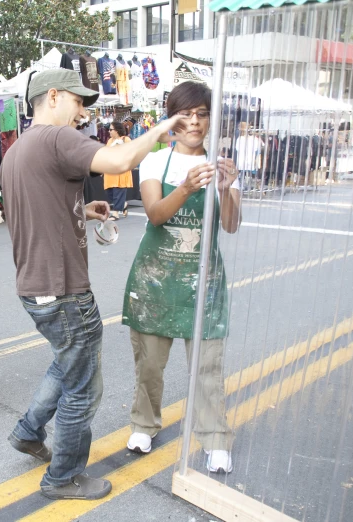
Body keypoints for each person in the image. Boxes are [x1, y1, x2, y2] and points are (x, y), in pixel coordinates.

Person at [0, 68, 187, 500]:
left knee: (69, 361)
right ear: (51, 97)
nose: (82, 111)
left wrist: (81, 211)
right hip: (63, 287)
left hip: (34, 286)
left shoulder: (17, 151)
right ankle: (62, 478)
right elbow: (121, 161)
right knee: (83, 387)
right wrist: (161, 127)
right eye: (77, 100)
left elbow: (29, 212)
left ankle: (29, 430)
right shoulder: (57, 138)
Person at [121, 81, 241, 474]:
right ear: (172, 120)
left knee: (207, 366)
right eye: (186, 114)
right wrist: (188, 187)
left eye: (202, 114)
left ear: (211, 120)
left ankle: (214, 437)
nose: (194, 122)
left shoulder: (222, 165)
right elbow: (155, 214)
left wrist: (229, 189)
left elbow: (231, 225)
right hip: (156, 279)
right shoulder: (157, 162)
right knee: (150, 365)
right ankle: (144, 424)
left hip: (203, 283)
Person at [103, 122, 133, 220]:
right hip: (110, 170)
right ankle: (123, 204)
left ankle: (115, 213)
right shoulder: (110, 141)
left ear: (117, 130)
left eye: (111, 129)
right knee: (110, 192)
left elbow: (131, 153)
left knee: (118, 191)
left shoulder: (126, 139)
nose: (109, 131)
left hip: (120, 170)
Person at [234, 122, 262, 191]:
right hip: (249, 161)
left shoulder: (239, 139)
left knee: (243, 174)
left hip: (243, 161)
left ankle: (243, 186)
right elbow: (257, 149)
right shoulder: (254, 139)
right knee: (249, 174)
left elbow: (237, 149)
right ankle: (249, 186)